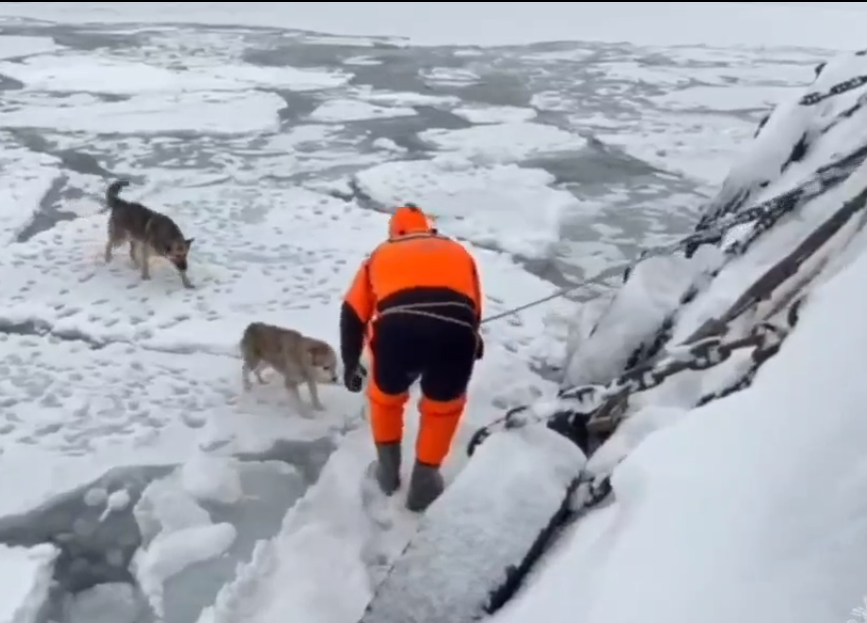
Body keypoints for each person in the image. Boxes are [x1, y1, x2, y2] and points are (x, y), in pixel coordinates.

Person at [340, 204, 484, 512]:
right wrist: (474, 340)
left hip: (397, 332)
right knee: (443, 410)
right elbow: (474, 304)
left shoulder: (381, 254)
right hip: (457, 332)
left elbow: (352, 313)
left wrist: (351, 363)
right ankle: (424, 483)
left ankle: (387, 473)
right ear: (428, 228)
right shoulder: (458, 252)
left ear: (395, 232)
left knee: (386, 400)